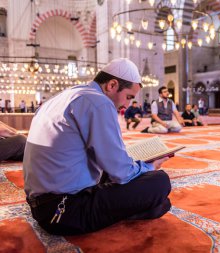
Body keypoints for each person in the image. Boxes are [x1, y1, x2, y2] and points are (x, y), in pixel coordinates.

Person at [23, 58, 172, 236]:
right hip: (64, 211)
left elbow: (106, 160)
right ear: (112, 85)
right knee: (159, 181)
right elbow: (121, 172)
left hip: (43, 207)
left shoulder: (67, 96)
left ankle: (139, 207)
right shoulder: (98, 102)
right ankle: (141, 207)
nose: (126, 105)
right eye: (129, 97)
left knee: (139, 185)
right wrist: (150, 166)